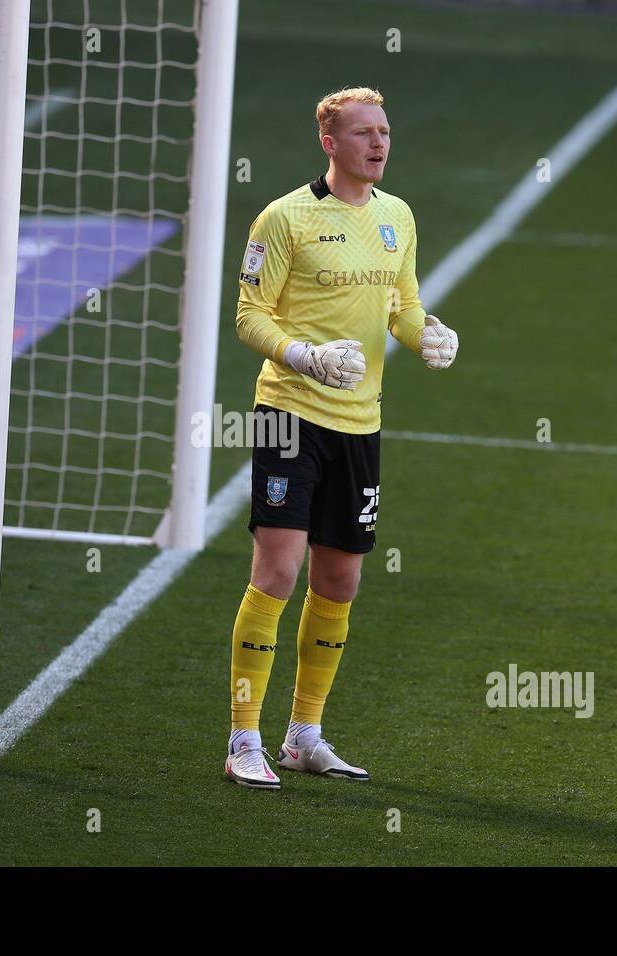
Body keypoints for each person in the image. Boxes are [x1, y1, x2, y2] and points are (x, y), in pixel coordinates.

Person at [224, 87, 458, 789]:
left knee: (341, 578)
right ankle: (243, 740)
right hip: (289, 414)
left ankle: (304, 736)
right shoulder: (284, 218)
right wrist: (305, 356)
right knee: (279, 572)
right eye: (364, 133)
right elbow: (248, 315)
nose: (379, 143)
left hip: (360, 423)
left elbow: (401, 304)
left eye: (384, 131)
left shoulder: (397, 217)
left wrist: (427, 334)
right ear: (330, 142)